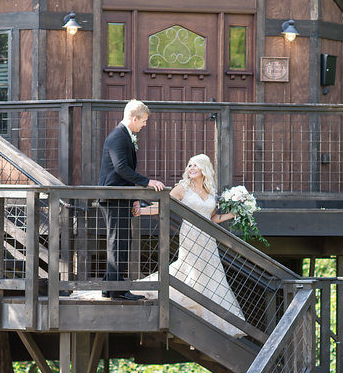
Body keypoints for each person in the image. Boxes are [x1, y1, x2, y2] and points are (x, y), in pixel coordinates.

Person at [134, 154, 245, 336]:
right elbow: (164, 205)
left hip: (208, 239)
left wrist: (232, 214)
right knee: (190, 268)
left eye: (195, 165)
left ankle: (214, 320)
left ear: (204, 169)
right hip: (190, 235)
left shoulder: (210, 191)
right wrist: (143, 211)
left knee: (212, 274)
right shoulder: (183, 188)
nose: (191, 168)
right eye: (189, 165)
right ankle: (190, 308)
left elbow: (213, 218)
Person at [98, 99, 165, 301]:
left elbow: (125, 173)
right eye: (143, 121)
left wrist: (135, 198)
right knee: (118, 242)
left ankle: (109, 287)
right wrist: (147, 182)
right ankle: (117, 291)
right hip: (114, 197)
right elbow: (121, 169)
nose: (144, 125)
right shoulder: (118, 136)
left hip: (122, 197)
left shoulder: (124, 135)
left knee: (119, 241)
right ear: (134, 118)